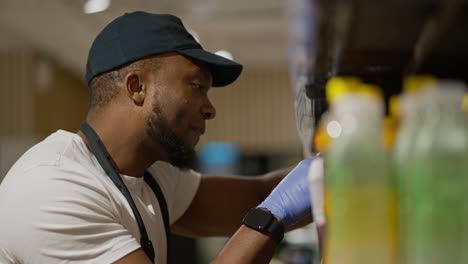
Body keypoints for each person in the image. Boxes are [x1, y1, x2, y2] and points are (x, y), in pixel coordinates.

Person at [0, 11, 316, 264]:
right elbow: (268, 207)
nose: (210, 109)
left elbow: (259, 194)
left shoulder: (150, 174)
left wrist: (333, 169)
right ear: (137, 87)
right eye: (197, 86)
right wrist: (270, 217)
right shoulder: (52, 190)